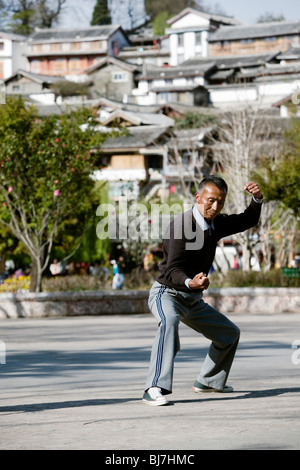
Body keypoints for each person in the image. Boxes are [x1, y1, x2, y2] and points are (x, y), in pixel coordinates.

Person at [143, 176, 263, 406]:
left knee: (229, 334)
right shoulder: (181, 226)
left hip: (192, 299)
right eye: (210, 201)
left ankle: (208, 381)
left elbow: (246, 220)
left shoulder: (215, 223)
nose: (215, 207)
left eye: (220, 202)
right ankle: (153, 387)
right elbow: (172, 269)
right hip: (166, 293)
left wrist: (257, 199)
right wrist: (190, 282)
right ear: (198, 198)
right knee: (169, 322)